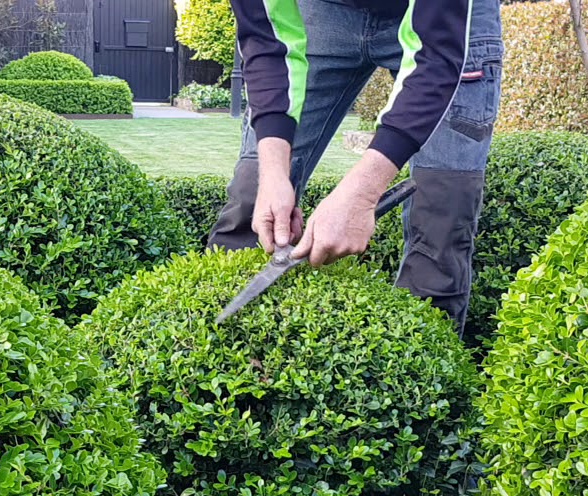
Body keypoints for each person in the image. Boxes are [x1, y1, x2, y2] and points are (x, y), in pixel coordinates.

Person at [206, 0, 504, 337]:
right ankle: (221, 350)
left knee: (442, 214)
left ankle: (423, 373)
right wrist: (273, 173)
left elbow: (436, 57)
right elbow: (265, 37)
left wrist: (362, 193)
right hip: (321, 10)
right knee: (253, 196)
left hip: (447, 19)